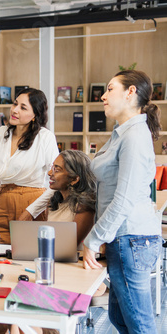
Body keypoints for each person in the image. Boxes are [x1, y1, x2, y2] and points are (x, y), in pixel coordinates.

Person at [82, 70, 162, 334]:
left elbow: (124, 199)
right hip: (123, 240)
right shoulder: (121, 133)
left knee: (140, 326)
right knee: (122, 321)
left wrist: (92, 241)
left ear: (130, 93)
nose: (103, 96)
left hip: (132, 239)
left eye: (109, 89)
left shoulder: (134, 137)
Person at [0, 150, 97, 334]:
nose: (50, 173)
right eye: (52, 167)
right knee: (1, 320)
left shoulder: (85, 205)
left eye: (57, 169)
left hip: (76, 274)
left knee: (19, 315)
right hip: (55, 269)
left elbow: (66, 245)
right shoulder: (56, 201)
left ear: (74, 179)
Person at [0, 88, 59, 245]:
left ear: (35, 115)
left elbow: (57, 180)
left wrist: (32, 210)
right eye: (15, 104)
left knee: (29, 255)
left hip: (33, 203)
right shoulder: (1, 133)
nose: (15, 110)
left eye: (23, 107)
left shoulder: (45, 137)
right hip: (3, 203)